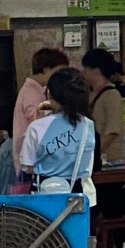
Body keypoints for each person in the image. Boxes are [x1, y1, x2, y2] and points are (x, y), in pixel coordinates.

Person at [18, 66, 98, 200]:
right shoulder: (88, 125)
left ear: (51, 94)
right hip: (79, 195)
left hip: (44, 195)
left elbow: (28, 166)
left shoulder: (37, 127)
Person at [13, 46, 69, 156]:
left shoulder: (40, 90)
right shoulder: (30, 92)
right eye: (58, 72)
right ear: (46, 70)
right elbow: (37, 122)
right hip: (30, 157)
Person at [81, 49, 125, 167]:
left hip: (109, 160)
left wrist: (92, 154)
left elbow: (112, 132)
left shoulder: (112, 95)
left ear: (95, 70)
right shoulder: (87, 94)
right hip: (92, 159)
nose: (83, 72)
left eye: (85, 68)